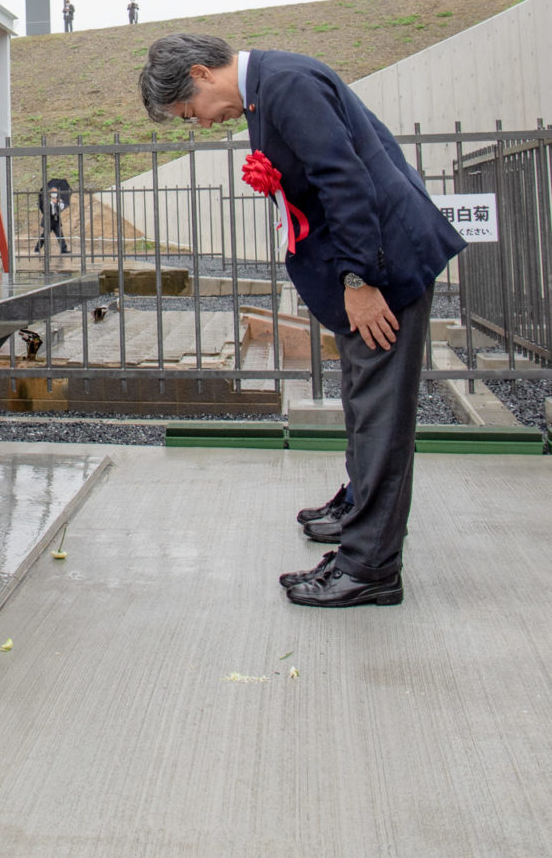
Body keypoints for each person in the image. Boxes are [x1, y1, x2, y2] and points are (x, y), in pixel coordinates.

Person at [138, 33, 465, 608]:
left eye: (190, 112)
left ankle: (370, 567)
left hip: (382, 268)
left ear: (201, 73)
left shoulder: (285, 85)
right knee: (366, 401)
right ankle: (359, 511)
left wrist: (360, 281)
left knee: (381, 415)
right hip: (370, 264)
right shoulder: (268, 88)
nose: (200, 123)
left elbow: (345, 179)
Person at [33, 183, 70, 255]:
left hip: (56, 220)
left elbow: (62, 207)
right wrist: (53, 204)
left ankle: (63, 249)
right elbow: (44, 209)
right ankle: (37, 249)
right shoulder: (47, 202)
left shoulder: (58, 202)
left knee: (60, 235)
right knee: (44, 235)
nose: (55, 198)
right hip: (49, 221)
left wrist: (59, 203)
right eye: (53, 192)